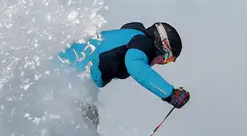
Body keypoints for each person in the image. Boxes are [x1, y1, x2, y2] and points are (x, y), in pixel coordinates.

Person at [57, 21, 190, 129]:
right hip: (66, 79)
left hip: (66, 75)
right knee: (82, 130)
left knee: (87, 126)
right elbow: (135, 67)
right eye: (167, 59)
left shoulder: (132, 35)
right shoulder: (142, 43)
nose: (162, 63)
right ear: (162, 47)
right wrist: (170, 94)